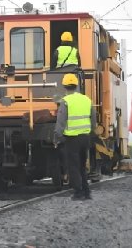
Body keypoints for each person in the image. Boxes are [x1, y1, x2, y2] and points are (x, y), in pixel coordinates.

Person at [55, 73, 96, 201]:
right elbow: (93, 120)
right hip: (85, 137)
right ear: (77, 85)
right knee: (82, 166)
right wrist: (90, 132)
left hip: (72, 139)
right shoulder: (87, 100)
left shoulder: (66, 101)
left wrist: (56, 137)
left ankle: (78, 193)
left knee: (73, 166)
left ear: (64, 86)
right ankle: (86, 192)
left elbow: (60, 122)